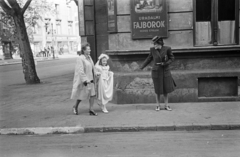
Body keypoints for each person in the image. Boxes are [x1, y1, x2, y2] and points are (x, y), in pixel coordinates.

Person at [140, 36, 176, 111]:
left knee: (166, 89)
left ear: (160, 44)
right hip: (156, 72)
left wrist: (165, 63)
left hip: (165, 71)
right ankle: (157, 105)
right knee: (158, 90)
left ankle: (166, 105)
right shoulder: (152, 50)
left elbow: (172, 58)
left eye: (155, 44)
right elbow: (148, 59)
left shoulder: (167, 49)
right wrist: (142, 66)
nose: (154, 45)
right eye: (154, 44)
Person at [70, 43, 98, 116]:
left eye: (90, 49)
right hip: (85, 80)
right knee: (81, 95)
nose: (90, 50)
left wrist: (96, 73)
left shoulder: (89, 57)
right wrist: (85, 80)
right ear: (84, 50)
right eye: (88, 49)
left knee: (92, 94)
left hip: (90, 79)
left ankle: (91, 109)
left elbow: (92, 67)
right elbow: (80, 70)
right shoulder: (80, 58)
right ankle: (75, 106)